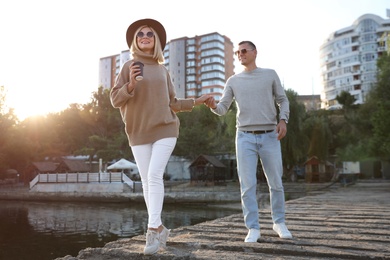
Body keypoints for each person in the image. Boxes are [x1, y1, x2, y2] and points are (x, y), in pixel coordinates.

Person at [110, 18, 211, 255]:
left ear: (156, 41)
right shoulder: (128, 67)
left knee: (154, 175)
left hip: (166, 128)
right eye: (140, 34)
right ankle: (162, 228)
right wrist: (131, 85)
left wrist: (197, 101)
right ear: (135, 41)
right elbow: (115, 100)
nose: (144, 36)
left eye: (149, 34)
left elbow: (173, 103)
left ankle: (152, 229)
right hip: (137, 131)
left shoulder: (162, 70)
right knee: (146, 181)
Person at [204, 40, 292, 242]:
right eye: (237, 52)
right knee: (247, 185)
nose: (240, 54)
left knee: (276, 183)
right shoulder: (233, 81)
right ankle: (253, 228)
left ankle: (279, 222)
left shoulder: (270, 74)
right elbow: (222, 109)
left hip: (270, 135)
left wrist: (283, 120)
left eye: (243, 51)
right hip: (244, 137)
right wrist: (211, 105)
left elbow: (283, 100)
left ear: (255, 52)